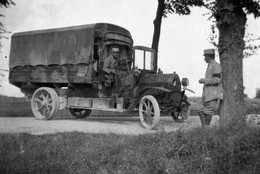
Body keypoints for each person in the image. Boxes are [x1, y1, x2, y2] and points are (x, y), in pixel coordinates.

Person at [196, 49, 223, 128]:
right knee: (199, 108)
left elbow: (217, 80)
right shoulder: (210, 65)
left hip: (213, 94)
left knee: (208, 111)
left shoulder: (216, 66)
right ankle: (205, 127)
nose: (204, 58)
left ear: (209, 56)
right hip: (207, 94)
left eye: (205, 56)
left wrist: (204, 81)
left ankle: (205, 128)